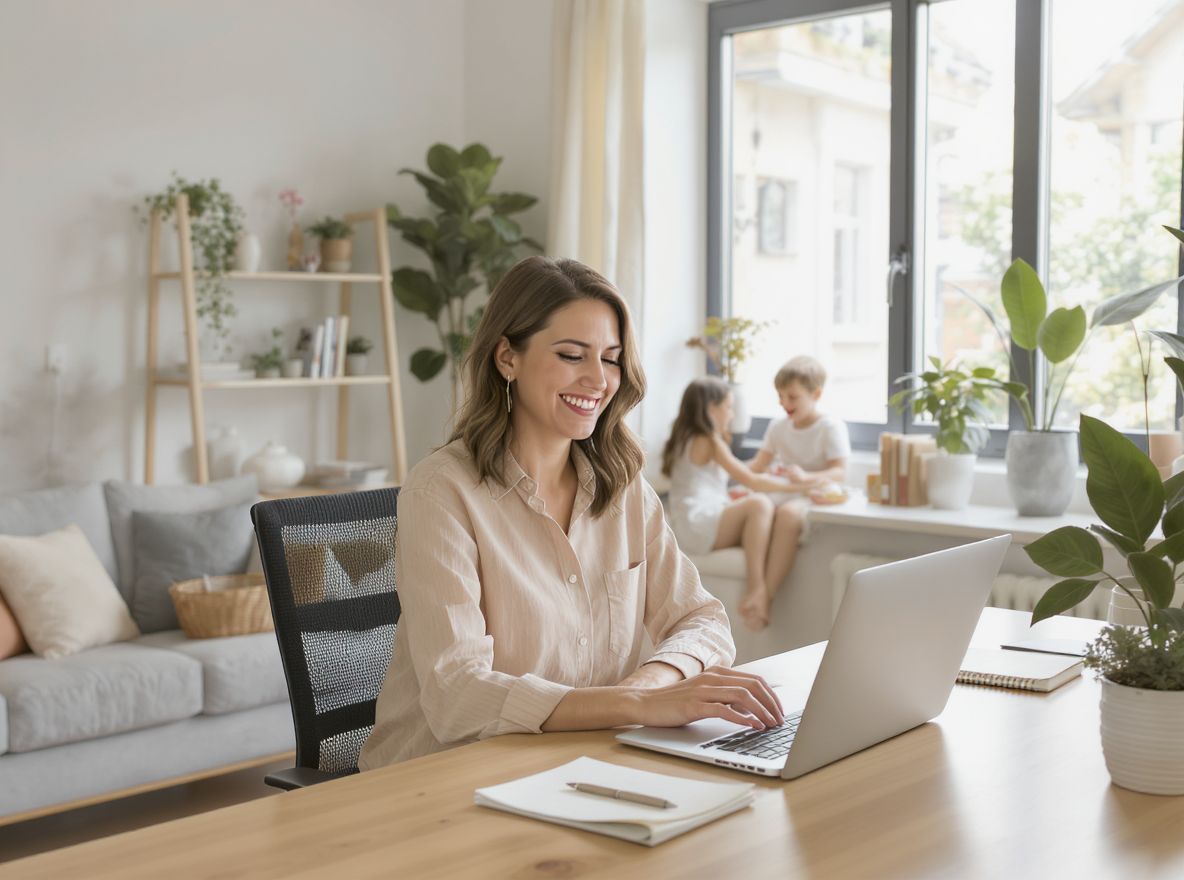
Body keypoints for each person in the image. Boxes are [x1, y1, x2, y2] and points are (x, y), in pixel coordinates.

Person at [358, 256, 783, 769]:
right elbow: (458, 695)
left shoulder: (622, 486)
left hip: (580, 764)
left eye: (610, 358)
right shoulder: (441, 491)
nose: (597, 380)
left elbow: (702, 619)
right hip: (442, 780)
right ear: (506, 358)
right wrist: (636, 704)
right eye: (571, 355)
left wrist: (651, 685)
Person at [661, 377, 812, 631]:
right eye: (728, 407)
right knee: (760, 505)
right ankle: (757, 590)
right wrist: (801, 486)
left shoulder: (686, 437)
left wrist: (773, 476)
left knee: (760, 509)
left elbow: (733, 474)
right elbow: (750, 479)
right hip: (697, 524)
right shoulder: (708, 439)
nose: (731, 415)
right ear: (711, 409)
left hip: (689, 522)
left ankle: (761, 593)